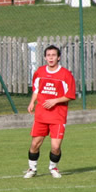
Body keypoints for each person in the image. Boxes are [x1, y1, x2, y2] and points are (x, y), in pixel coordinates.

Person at [24, 45, 76, 179]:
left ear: (58, 58)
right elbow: (36, 89)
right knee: (35, 143)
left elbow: (70, 95)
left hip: (58, 116)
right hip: (41, 114)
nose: (51, 57)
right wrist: (32, 102)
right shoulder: (39, 72)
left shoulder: (65, 74)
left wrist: (55, 101)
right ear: (45, 57)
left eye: (53, 55)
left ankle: (53, 167)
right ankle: (32, 168)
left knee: (55, 146)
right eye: (48, 55)